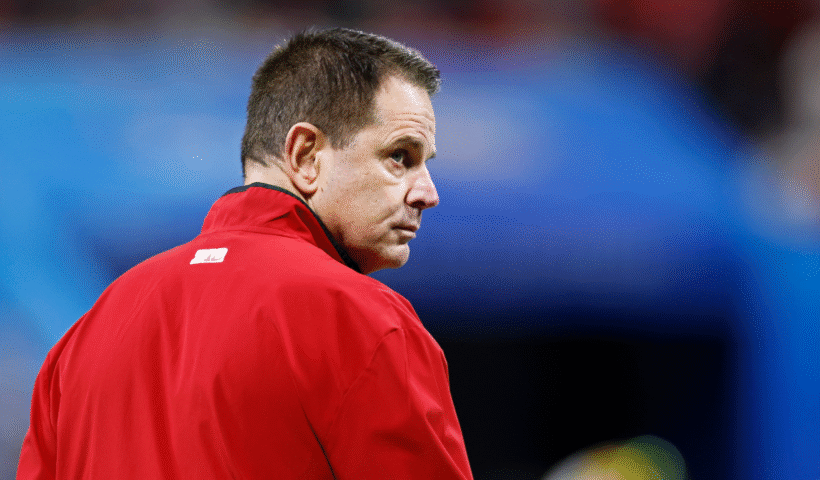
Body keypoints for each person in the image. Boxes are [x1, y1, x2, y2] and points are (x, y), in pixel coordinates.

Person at [17, 27, 473, 479]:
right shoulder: (365, 321)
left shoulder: (84, 336)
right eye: (400, 156)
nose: (427, 193)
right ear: (306, 155)